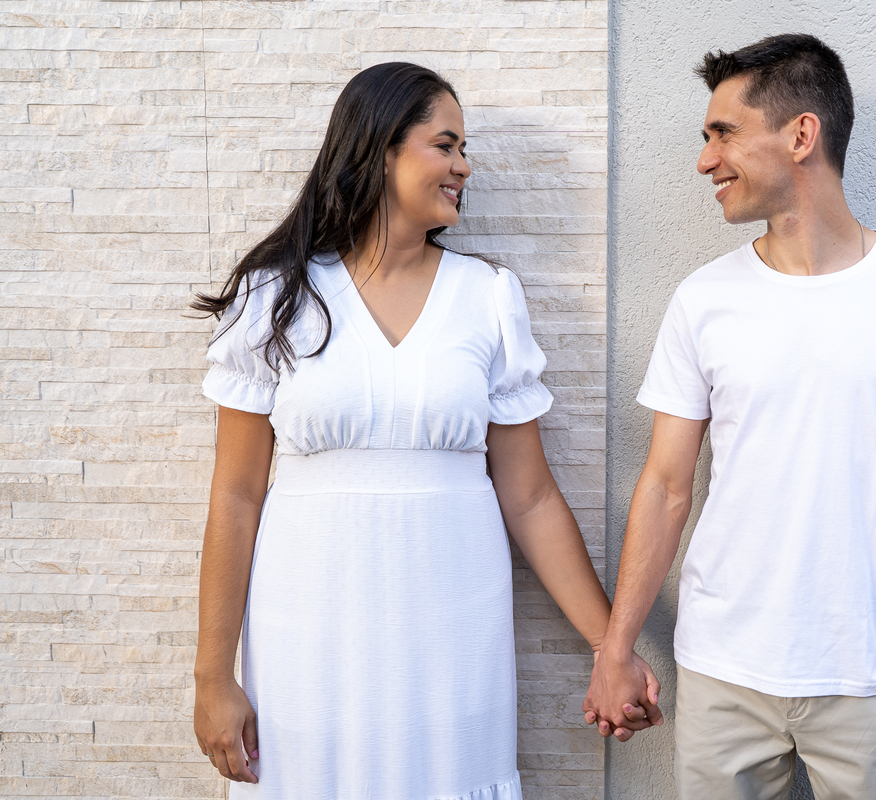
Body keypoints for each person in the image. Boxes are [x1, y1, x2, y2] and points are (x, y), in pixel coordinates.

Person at [190, 62, 659, 799]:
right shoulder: (275, 296)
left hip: (452, 633)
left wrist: (611, 648)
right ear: (380, 148)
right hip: (305, 637)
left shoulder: (488, 298)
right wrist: (213, 677)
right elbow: (237, 496)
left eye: (462, 148)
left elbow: (531, 498)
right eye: (445, 144)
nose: (463, 166)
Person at [583, 34, 876, 799]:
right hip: (722, 674)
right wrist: (616, 648)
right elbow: (666, 483)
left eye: (723, 133)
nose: (705, 160)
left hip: (871, 672)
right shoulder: (704, 299)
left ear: (801, 134)